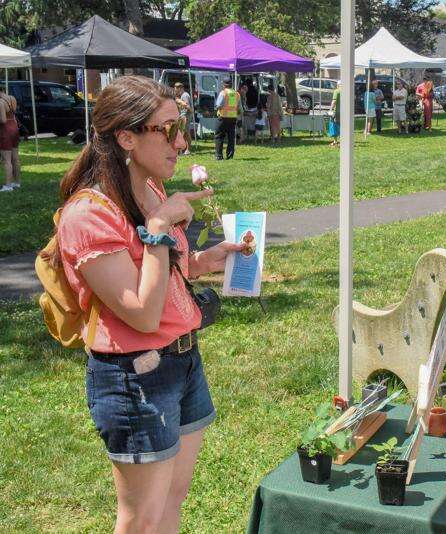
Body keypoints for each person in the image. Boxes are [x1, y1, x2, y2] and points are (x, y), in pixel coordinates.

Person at [51, 75, 244, 533]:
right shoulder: (88, 215)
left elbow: (161, 273)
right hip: (135, 377)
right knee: (141, 519)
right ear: (126, 137)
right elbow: (140, 309)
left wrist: (201, 262)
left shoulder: (153, 188)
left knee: (172, 501)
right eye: (168, 129)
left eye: (184, 126)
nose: (182, 142)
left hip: (183, 360)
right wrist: (157, 226)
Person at [0, 87, 21, 192]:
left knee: (6, 160)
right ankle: (17, 182)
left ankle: (8, 185)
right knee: (15, 158)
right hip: (14, 127)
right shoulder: (12, 98)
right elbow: (13, 113)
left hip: (5, 131)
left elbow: (3, 120)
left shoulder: (0, 102)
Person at [215, 78, 240, 160]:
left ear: (224, 84)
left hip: (223, 116)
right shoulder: (236, 94)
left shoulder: (223, 93)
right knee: (231, 137)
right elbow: (240, 108)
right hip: (233, 117)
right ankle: (230, 156)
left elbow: (218, 105)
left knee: (219, 136)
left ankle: (219, 156)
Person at [173, 82, 193, 155]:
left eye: (176, 89)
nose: (176, 91)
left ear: (180, 88)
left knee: (186, 133)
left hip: (185, 116)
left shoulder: (185, 95)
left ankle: (188, 150)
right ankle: (184, 149)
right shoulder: (183, 95)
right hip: (183, 115)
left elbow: (187, 106)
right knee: (184, 133)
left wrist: (185, 116)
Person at [329, 80, 342, 146]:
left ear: (338, 85)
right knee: (342, 126)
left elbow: (334, 101)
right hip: (344, 112)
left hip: (336, 112)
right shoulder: (347, 92)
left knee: (334, 126)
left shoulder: (337, 91)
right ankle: (342, 141)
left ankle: (335, 141)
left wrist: (330, 110)